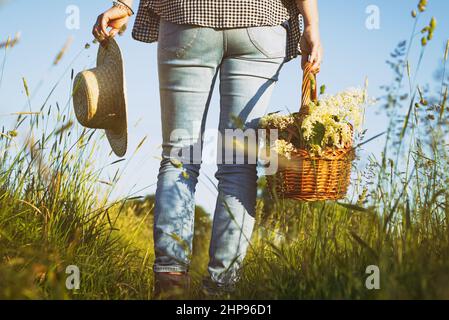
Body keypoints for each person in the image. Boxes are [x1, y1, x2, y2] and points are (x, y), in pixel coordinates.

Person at [92, 0, 322, 298]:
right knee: (239, 163)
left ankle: (170, 288)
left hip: (186, 16)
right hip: (260, 21)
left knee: (180, 157)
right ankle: (220, 292)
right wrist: (312, 24)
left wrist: (122, 4)